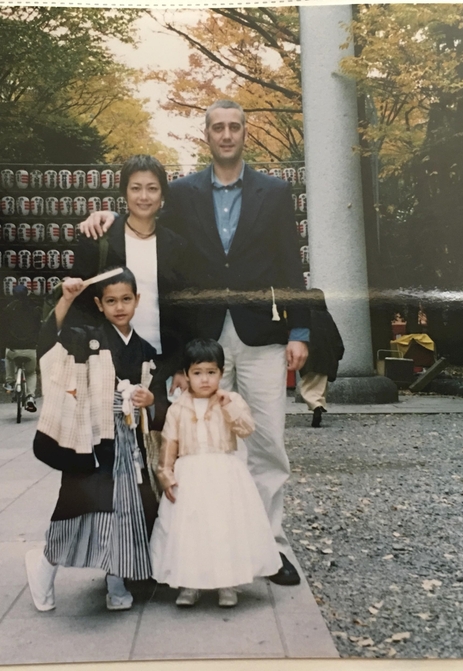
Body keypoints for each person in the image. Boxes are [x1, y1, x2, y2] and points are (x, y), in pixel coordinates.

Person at [80, 100, 309, 585]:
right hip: (204, 341)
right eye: (218, 127)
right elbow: (145, 220)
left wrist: (300, 329)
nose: (226, 135)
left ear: (246, 132)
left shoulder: (274, 191)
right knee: (202, 447)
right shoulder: (183, 193)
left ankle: (270, 546)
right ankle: (207, 546)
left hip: (261, 336)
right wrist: (104, 213)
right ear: (206, 134)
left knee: (265, 439)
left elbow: (292, 265)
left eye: (235, 127)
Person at [25, 268, 166, 612]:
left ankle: (116, 583)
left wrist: (152, 402)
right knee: (77, 509)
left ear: (137, 300)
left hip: (130, 442)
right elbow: (48, 344)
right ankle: (43, 569)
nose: (120, 307)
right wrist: (67, 299)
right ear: (99, 305)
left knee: (128, 512)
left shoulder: (146, 349)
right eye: (111, 301)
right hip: (91, 439)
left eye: (126, 299)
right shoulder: (84, 337)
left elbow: (159, 402)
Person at [150, 339, 280, 608]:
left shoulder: (231, 400)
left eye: (212, 373)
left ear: (221, 373)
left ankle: (227, 583)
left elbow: (247, 429)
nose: (205, 380)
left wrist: (228, 406)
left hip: (223, 472)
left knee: (224, 526)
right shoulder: (178, 408)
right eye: (197, 373)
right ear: (186, 375)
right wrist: (166, 475)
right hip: (190, 474)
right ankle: (189, 583)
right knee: (191, 529)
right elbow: (169, 445)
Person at [69, 154, 190, 391]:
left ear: (162, 195)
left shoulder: (177, 246)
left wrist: (181, 367)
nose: (144, 197)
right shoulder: (98, 240)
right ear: (124, 192)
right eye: (136, 188)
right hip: (106, 364)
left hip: (161, 366)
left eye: (152, 189)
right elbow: (80, 306)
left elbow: (185, 314)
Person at [297, 289, 344, 428]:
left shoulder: (304, 317)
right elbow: (336, 339)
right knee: (319, 386)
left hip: (309, 356)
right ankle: (318, 405)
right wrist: (338, 354)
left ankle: (315, 405)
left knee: (307, 384)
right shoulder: (326, 316)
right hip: (326, 358)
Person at [2, 282, 41, 413]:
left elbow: (3, 328)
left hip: (13, 348)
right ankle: (30, 397)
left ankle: (10, 382)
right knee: (31, 372)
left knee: (8, 357)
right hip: (30, 348)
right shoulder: (35, 309)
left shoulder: (8, 308)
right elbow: (38, 328)